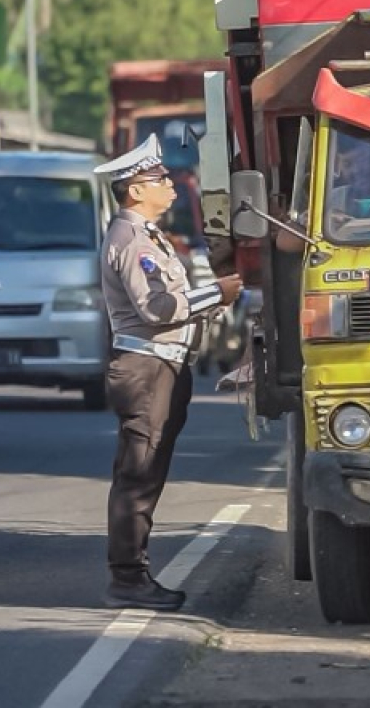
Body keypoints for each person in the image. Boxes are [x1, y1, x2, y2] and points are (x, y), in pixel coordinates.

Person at [93, 135, 242, 611]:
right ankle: (128, 579)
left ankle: (132, 574)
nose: (172, 186)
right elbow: (157, 308)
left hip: (162, 366)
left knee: (147, 473)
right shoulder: (132, 240)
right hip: (145, 369)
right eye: (160, 179)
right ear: (136, 190)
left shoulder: (148, 235)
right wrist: (215, 294)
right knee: (138, 475)